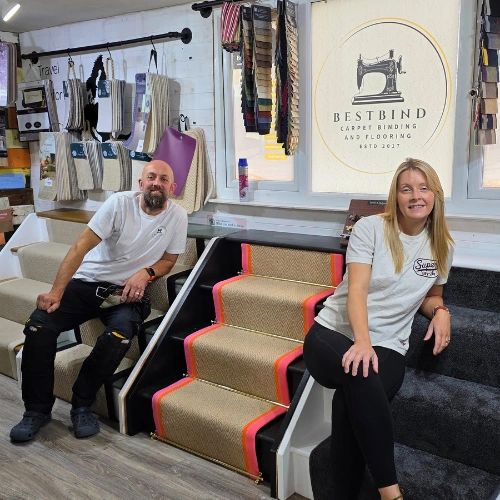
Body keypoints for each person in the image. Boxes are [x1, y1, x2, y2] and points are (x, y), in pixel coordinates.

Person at [304, 158, 454, 500]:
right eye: (406, 189)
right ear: (395, 196)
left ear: (435, 194)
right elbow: (357, 289)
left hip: (389, 345)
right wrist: (362, 341)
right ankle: (391, 493)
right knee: (360, 371)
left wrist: (441, 311)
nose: (416, 196)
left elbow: (431, 294)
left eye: (423, 188)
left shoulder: (442, 245)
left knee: (349, 403)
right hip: (334, 334)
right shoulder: (369, 228)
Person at [10, 159, 188, 442]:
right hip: (88, 282)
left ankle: (82, 405)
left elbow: (168, 260)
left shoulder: (177, 216)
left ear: (173, 188)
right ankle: (36, 411)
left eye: (164, 179)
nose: (157, 183)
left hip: (126, 294)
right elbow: (80, 247)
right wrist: (56, 292)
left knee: (118, 336)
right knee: (39, 327)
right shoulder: (118, 204)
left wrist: (146, 273)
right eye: (151, 177)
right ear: (141, 183)